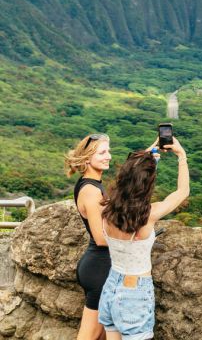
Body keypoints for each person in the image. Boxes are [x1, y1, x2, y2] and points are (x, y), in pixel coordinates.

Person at [98, 138, 189, 340]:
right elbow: (182, 192)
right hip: (135, 291)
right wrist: (181, 156)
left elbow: (132, 173)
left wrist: (150, 153)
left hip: (112, 285)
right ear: (146, 185)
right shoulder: (148, 215)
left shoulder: (106, 208)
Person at [65, 133, 113, 340]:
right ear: (87, 159)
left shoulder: (90, 182)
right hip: (99, 270)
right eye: (102, 152)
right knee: (88, 336)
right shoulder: (91, 191)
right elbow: (101, 238)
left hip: (100, 267)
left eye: (108, 151)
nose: (109, 156)